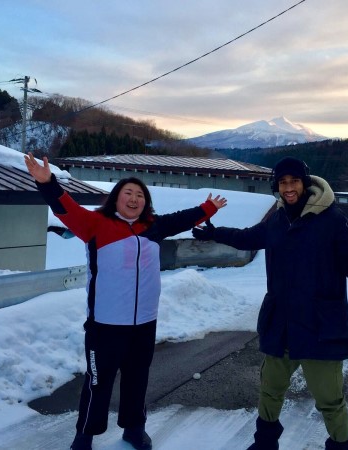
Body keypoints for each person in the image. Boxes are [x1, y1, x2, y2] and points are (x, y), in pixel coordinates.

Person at [192, 156, 348, 450]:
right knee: (270, 390)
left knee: (329, 400)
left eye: (294, 181)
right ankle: (265, 444)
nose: (289, 188)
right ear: (277, 186)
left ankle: (341, 446)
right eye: (283, 182)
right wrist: (216, 233)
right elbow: (249, 237)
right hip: (282, 324)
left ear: (304, 183)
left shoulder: (331, 219)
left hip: (320, 326)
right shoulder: (277, 219)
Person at [24, 152, 227, 450]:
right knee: (98, 382)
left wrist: (209, 207)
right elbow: (65, 207)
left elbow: (184, 219)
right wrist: (48, 183)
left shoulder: (154, 226)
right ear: (116, 199)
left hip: (144, 322)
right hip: (105, 324)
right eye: (127, 193)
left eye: (140, 195)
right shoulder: (95, 224)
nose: (134, 199)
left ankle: (134, 428)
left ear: (146, 202)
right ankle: (85, 436)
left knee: (137, 378)